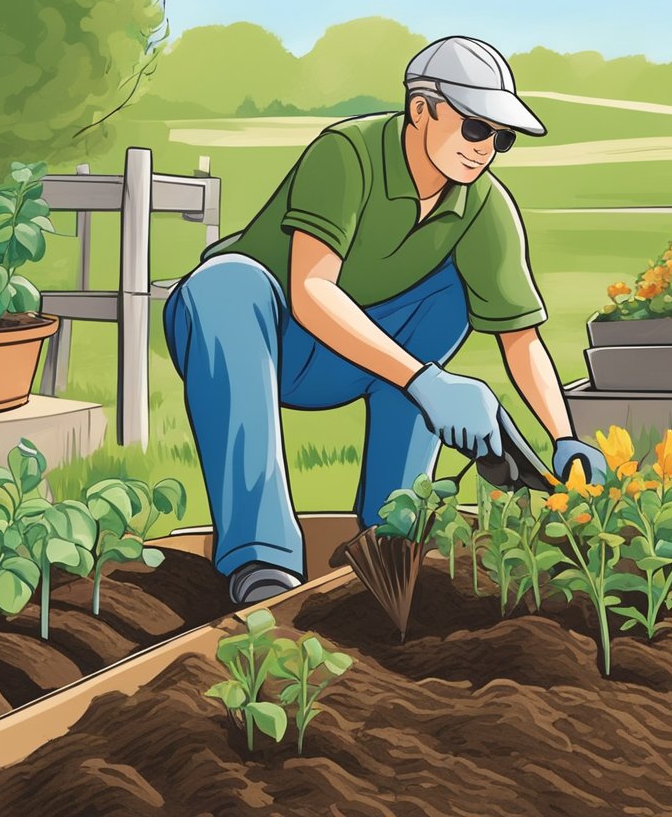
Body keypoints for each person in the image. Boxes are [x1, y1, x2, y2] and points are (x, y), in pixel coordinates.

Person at [163, 36, 607, 604]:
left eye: (502, 137)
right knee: (225, 281)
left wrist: (564, 437)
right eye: (475, 127)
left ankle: (392, 535)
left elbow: (520, 338)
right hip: (250, 339)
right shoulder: (347, 154)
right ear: (421, 109)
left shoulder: (484, 206)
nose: (486, 149)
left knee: (452, 291)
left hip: (359, 353)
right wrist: (427, 381)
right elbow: (310, 288)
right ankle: (262, 560)